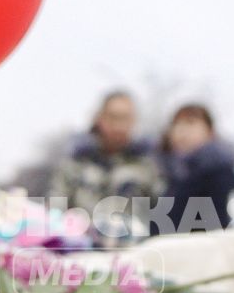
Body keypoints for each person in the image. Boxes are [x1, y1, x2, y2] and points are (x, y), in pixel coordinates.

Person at [50, 90, 161, 241]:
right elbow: (56, 208)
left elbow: (160, 215)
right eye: (113, 118)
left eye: (125, 119)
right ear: (99, 119)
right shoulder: (75, 163)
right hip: (81, 251)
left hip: (133, 253)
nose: (119, 126)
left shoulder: (148, 166)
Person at [153, 103, 234, 232]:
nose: (182, 130)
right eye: (177, 124)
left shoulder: (220, 172)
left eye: (190, 123)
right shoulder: (164, 173)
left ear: (210, 132)